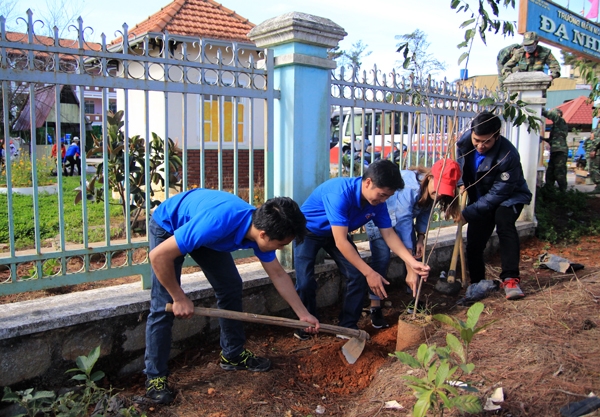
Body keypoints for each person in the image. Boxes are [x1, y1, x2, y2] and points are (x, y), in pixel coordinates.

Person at [144, 190, 319, 404]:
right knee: (164, 304)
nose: (281, 248)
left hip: (205, 230)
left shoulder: (258, 230)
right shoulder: (218, 223)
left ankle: (233, 354)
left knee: (230, 286)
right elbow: (158, 256)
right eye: (281, 244)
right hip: (169, 225)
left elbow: (278, 274)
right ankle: (155, 377)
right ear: (264, 234)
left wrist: (302, 314)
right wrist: (179, 297)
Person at [293, 159, 430, 340]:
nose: (384, 200)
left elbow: (388, 235)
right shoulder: (340, 193)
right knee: (305, 281)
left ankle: (347, 327)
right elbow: (341, 242)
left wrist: (412, 262)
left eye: (387, 197)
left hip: (337, 233)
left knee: (355, 275)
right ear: (368, 183)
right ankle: (306, 325)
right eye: (382, 195)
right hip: (309, 231)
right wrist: (370, 272)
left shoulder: (377, 203)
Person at [365, 159, 461, 324]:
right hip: (379, 220)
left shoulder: (431, 191)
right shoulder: (410, 188)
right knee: (382, 258)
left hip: (402, 222)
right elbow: (404, 223)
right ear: (430, 177)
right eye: (438, 188)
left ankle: (414, 301)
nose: (439, 194)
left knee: (415, 257)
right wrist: (410, 268)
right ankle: (375, 305)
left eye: (443, 192)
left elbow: (425, 213)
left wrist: (421, 238)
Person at [457, 111, 532, 300]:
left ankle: (510, 279)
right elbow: (459, 164)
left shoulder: (508, 156)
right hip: (481, 197)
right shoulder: (464, 142)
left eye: (487, 142)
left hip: (509, 197)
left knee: (504, 222)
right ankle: (477, 283)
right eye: (477, 140)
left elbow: (498, 194)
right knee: (474, 241)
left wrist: (468, 213)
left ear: (497, 136)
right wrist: (460, 182)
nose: (480, 146)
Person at [542, 108, 569, 192]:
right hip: (555, 151)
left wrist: (542, 111)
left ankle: (563, 191)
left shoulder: (561, 121)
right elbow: (552, 140)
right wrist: (543, 139)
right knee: (550, 172)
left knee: (559, 171)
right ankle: (549, 190)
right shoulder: (556, 126)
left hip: (560, 151)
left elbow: (552, 115)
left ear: (559, 115)